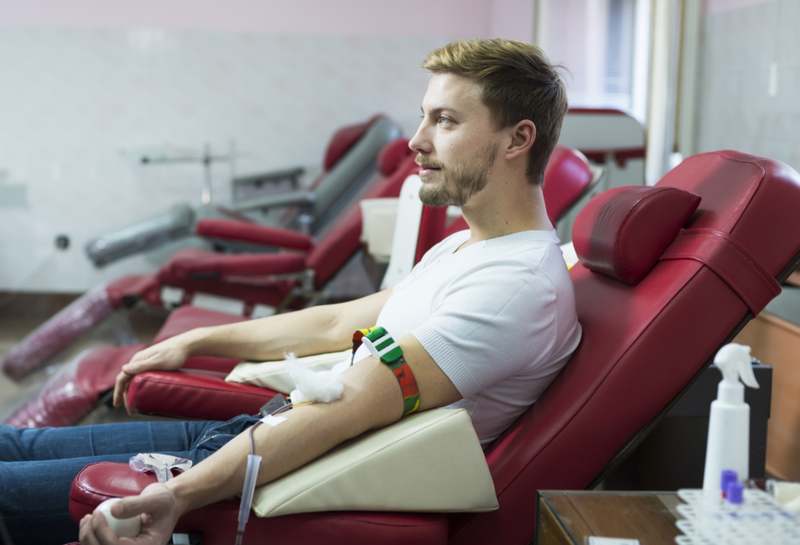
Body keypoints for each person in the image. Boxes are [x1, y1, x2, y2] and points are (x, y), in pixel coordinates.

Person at [1, 38, 581, 545]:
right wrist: (199, 339)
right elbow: (335, 324)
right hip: (259, 435)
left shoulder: (514, 287)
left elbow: (351, 404)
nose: (417, 141)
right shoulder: (468, 248)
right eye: (424, 117)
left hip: (278, 476)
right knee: (17, 446)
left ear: (517, 139)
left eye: (446, 122)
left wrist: (180, 495)